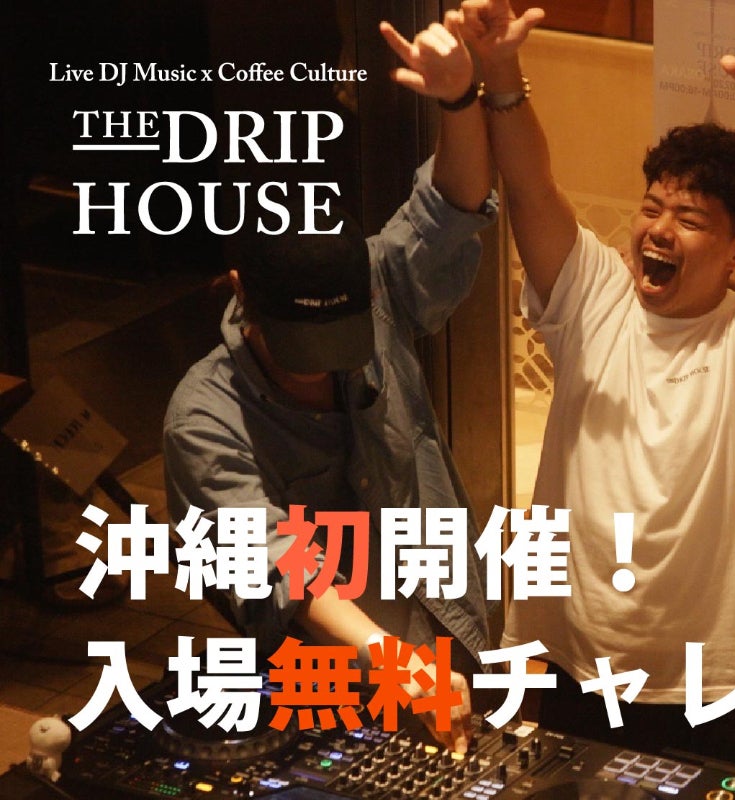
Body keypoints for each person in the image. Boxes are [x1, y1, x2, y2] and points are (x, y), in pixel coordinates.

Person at [459, 0, 735, 772]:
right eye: (652, 207)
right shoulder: (593, 296)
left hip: (710, 681)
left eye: (689, 218)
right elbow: (531, 190)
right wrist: (500, 72)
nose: (658, 228)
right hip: (569, 661)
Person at [162, 12, 496, 753]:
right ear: (242, 292)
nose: (322, 366)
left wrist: (459, 100)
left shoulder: (373, 281)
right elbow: (278, 561)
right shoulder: (203, 417)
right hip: (324, 670)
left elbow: (450, 209)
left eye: (337, 343)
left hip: (444, 624)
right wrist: (391, 660)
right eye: (299, 348)